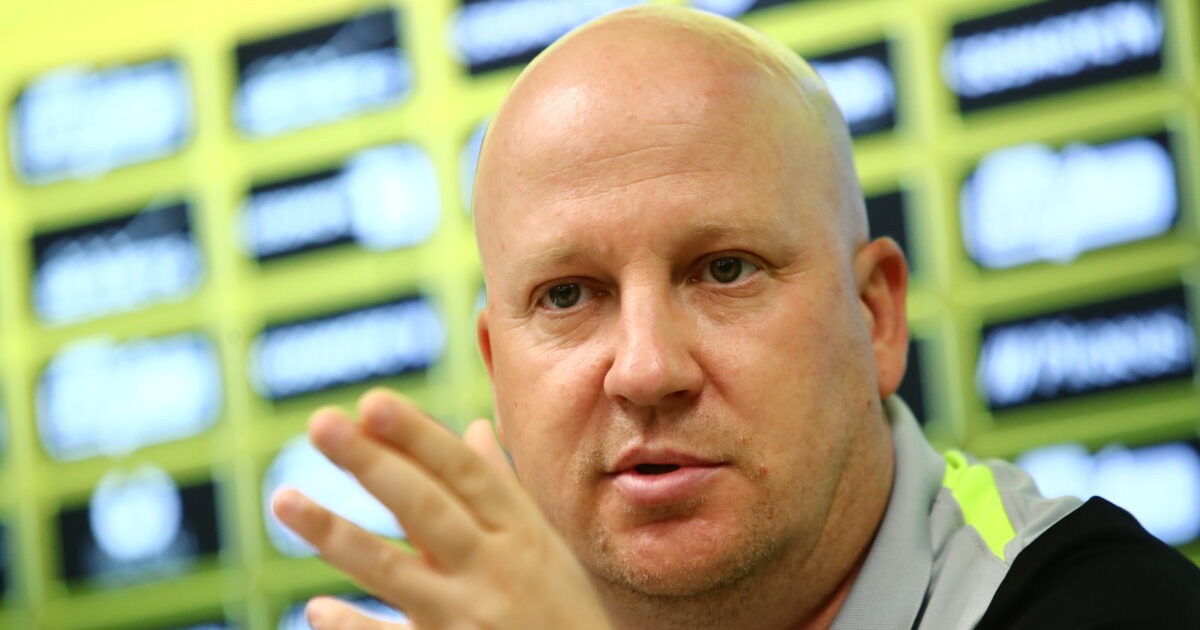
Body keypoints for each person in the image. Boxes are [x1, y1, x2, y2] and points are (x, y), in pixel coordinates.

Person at [271, 6, 1200, 629]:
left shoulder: (1106, 604)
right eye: (567, 296)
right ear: (496, 372)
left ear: (876, 318)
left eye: (724, 271)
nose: (646, 369)